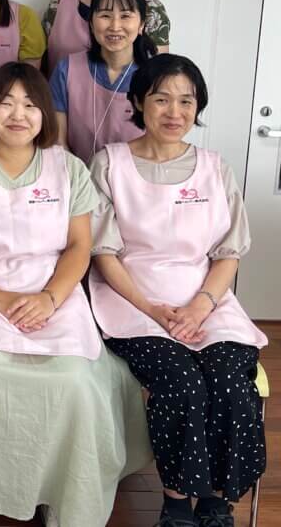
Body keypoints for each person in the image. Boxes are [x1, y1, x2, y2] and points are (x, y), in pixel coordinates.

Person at [0, 63, 150, 527]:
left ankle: (64, 499)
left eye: (30, 104)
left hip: (52, 290)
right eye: (6, 102)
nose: (17, 114)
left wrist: (49, 298)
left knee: (75, 380)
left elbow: (79, 246)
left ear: (45, 113)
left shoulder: (67, 168)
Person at [89, 54, 267, 527]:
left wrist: (200, 306)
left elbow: (228, 252)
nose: (175, 112)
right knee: (182, 382)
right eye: (162, 99)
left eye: (186, 101)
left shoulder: (214, 168)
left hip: (205, 300)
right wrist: (153, 310)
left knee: (230, 382)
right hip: (132, 302)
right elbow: (103, 253)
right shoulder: (110, 163)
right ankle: (175, 501)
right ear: (138, 102)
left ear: (198, 107)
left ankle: (215, 500)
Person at [50, 0, 157, 163]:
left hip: (137, 177)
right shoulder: (66, 69)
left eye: (125, 16)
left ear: (141, 25)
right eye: (105, 15)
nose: (115, 26)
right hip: (75, 176)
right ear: (91, 23)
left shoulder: (157, 77)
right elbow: (59, 143)